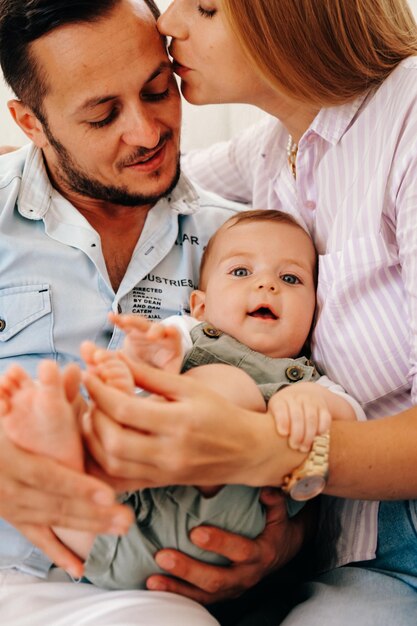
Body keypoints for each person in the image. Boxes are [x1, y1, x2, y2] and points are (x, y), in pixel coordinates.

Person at [68, 0, 417, 623]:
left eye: (205, 7)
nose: (169, 23)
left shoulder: (408, 120)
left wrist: (265, 451)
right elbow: (115, 182)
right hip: (345, 544)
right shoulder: (271, 148)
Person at [0, 0, 244, 623]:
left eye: (158, 90)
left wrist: (287, 543)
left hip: (167, 574)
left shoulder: (242, 243)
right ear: (30, 122)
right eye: (103, 115)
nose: (146, 132)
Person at [0, 209, 362, 592]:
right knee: (70, 501)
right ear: (201, 306)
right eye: (241, 272)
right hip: (123, 526)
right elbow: (132, 392)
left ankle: (68, 435)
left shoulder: (307, 380)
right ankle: (57, 433)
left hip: (224, 521)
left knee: (230, 384)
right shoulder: (183, 335)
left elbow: (352, 420)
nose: (267, 286)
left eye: (290, 278)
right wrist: (144, 369)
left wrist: (310, 402)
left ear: (314, 311)